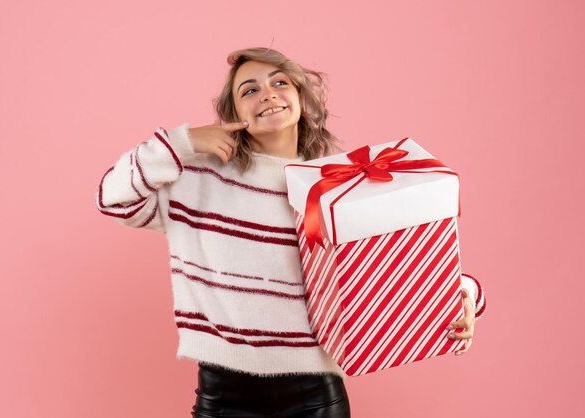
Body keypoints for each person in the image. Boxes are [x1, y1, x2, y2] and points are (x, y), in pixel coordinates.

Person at [95, 47, 487, 418]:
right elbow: (113, 199)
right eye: (249, 89)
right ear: (233, 113)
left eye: (280, 82)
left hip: (315, 394)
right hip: (223, 392)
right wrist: (182, 142)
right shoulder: (196, 176)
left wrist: (463, 295)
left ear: (301, 97)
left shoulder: (335, 188)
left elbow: (395, 263)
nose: (267, 94)